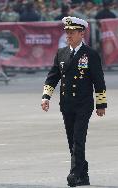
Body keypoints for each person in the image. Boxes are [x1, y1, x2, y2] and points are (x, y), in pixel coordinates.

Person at [41, 16, 107, 187]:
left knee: (79, 138)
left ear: (81, 33)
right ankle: (83, 174)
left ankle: (74, 173)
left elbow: (99, 81)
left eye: (72, 32)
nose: (68, 35)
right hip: (66, 103)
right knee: (72, 139)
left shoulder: (90, 54)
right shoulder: (61, 53)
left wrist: (101, 104)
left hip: (84, 104)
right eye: (67, 32)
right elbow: (52, 77)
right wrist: (45, 97)